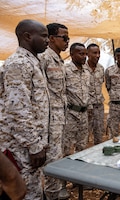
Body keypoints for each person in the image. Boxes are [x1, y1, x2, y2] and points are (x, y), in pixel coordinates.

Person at [0, 19, 50, 200]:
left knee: (33, 189)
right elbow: (18, 109)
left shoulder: (32, 62)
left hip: (28, 143)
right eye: (44, 36)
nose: (47, 40)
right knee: (25, 193)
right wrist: (34, 145)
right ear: (27, 36)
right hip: (20, 147)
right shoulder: (18, 63)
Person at [38, 22, 70, 200]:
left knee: (57, 159)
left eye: (68, 38)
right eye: (64, 37)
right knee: (52, 161)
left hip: (60, 119)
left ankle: (52, 194)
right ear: (51, 38)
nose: (67, 41)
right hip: (49, 122)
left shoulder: (59, 59)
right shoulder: (43, 58)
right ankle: (50, 196)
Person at [84, 43, 105, 145]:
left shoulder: (101, 68)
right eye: (94, 53)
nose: (97, 55)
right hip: (86, 108)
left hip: (99, 107)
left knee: (99, 135)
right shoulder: (82, 68)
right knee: (83, 136)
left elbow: (106, 85)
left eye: (99, 53)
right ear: (87, 53)